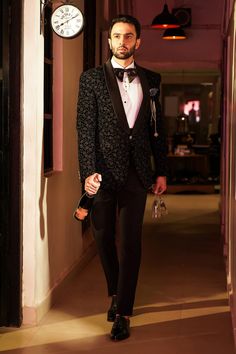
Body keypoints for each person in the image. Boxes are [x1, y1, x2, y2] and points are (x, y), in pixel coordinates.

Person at [76, 14, 167, 341]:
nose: (122, 41)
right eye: (117, 36)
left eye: (128, 36)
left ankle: (123, 312)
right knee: (102, 238)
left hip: (137, 173)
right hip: (101, 174)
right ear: (110, 40)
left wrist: (162, 170)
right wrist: (87, 172)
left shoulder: (153, 80)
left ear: (137, 41)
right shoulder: (91, 80)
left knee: (130, 243)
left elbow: (158, 130)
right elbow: (85, 131)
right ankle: (115, 290)